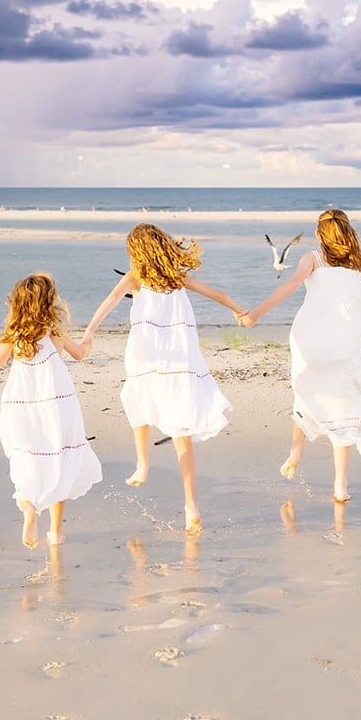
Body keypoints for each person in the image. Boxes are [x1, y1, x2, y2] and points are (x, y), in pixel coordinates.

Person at [82, 224, 244, 534]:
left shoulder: (135, 278)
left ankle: (143, 464)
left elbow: (110, 302)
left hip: (146, 354)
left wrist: (89, 333)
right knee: (181, 432)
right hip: (180, 359)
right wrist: (239, 310)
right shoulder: (178, 278)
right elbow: (218, 293)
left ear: (136, 253)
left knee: (137, 402)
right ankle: (190, 504)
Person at [0, 274, 102, 549]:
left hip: (21, 407)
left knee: (26, 461)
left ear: (18, 303)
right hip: (56, 407)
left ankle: (29, 509)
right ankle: (56, 535)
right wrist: (89, 338)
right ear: (49, 302)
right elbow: (81, 354)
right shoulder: (55, 331)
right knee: (58, 460)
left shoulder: (14, 336)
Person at [239, 208, 361, 503]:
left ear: (319, 233)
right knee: (343, 403)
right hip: (346, 342)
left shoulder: (312, 258)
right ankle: (340, 487)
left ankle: (296, 452)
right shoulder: (359, 263)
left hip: (310, 337)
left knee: (306, 389)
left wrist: (257, 312)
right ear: (348, 233)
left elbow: (291, 284)